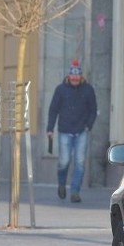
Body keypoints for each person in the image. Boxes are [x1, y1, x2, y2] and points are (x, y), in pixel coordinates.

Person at [46, 58, 97, 203]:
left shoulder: (88, 90)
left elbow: (93, 110)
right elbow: (53, 110)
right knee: (64, 161)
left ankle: (75, 191)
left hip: (82, 131)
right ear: (69, 76)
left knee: (80, 162)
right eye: (72, 76)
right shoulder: (60, 90)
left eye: (77, 76)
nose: (74, 78)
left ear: (81, 76)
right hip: (64, 131)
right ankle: (61, 184)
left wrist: (89, 125)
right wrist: (50, 129)